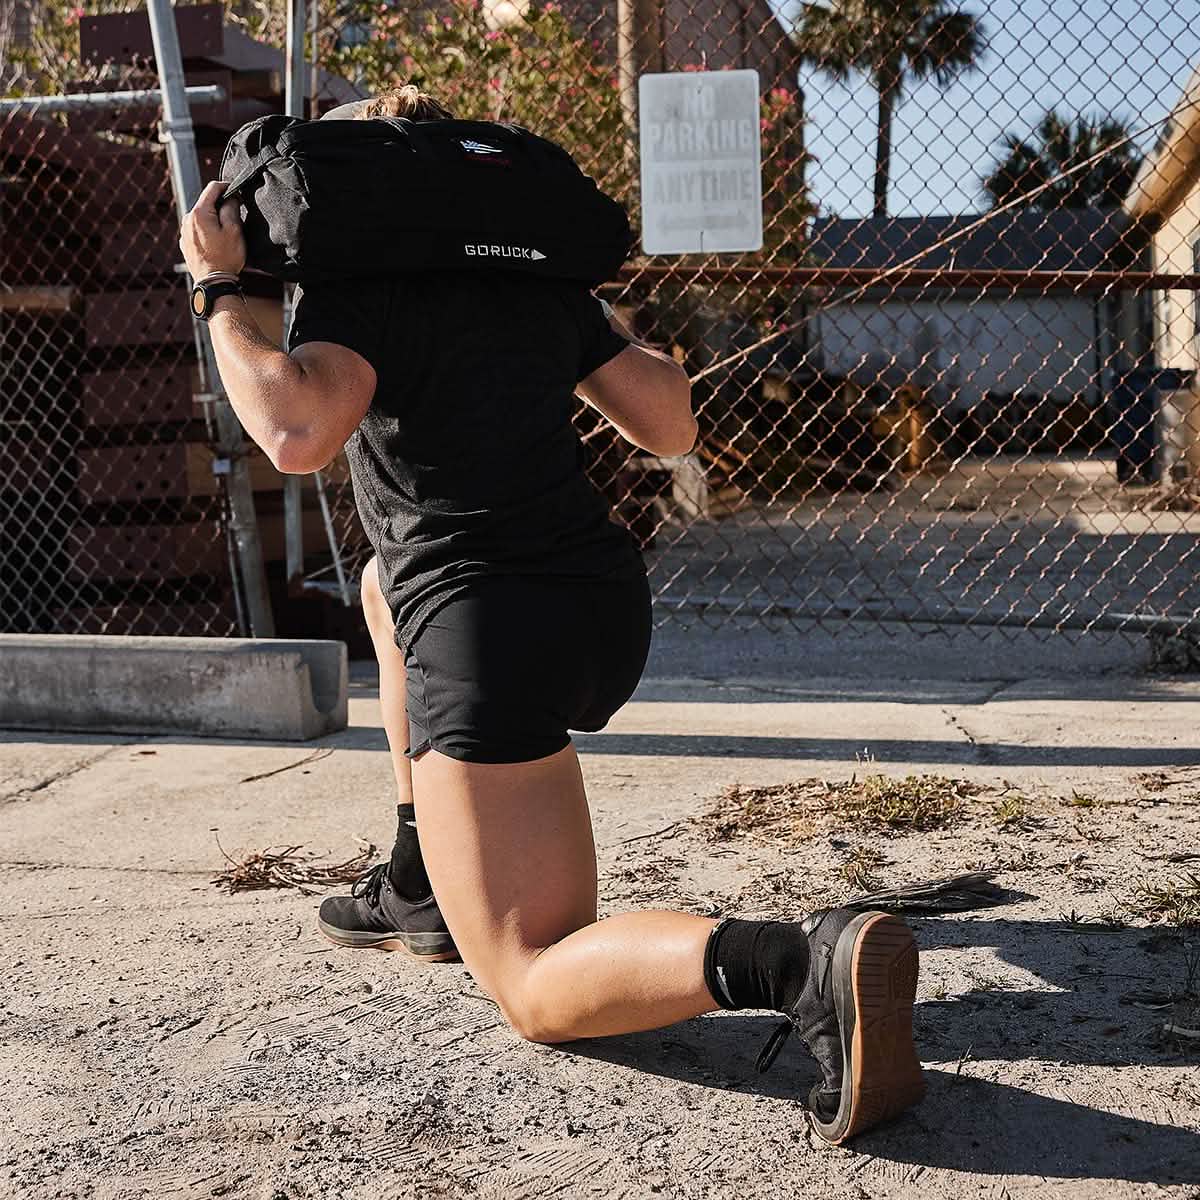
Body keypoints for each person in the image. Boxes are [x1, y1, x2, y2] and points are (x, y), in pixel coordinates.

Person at [178, 83, 924, 1145]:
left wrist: (220, 293)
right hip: (599, 608)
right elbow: (670, 424)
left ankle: (800, 964)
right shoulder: (534, 292)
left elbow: (295, 429)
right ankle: (419, 878)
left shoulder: (364, 288)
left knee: (534, 977)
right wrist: (581, 319)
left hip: (492, 639)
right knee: (387, 589)